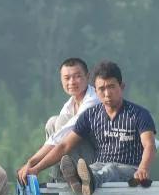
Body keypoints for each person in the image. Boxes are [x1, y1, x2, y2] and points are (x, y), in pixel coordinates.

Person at [22, 60, 156, 195]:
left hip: (129, 169)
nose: (107, 94)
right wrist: (36, 169)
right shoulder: (91, 115)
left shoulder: (139, 114)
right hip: (99, 165)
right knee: (90, 168)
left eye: (111, 87)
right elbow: (64, 145)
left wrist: (143, 168)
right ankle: (76, 181)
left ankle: (87, 183)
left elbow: (149, 145)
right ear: (96, 90)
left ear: (122, 87)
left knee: (111, 169)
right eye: (102, 89)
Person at [17, 57, 99, 185]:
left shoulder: (93, 100)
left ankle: (63, 179)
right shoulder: (70, 103)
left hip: (95, 161)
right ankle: (58, 177)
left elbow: (63, 141)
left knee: (61, 124)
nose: (72, 82)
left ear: (87, 77)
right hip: (78, 156)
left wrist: (35, 167)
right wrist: (31, 162)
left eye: (77, 76)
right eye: (67, 78)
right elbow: (55, 138)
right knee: (52, 122)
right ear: (61, 81)